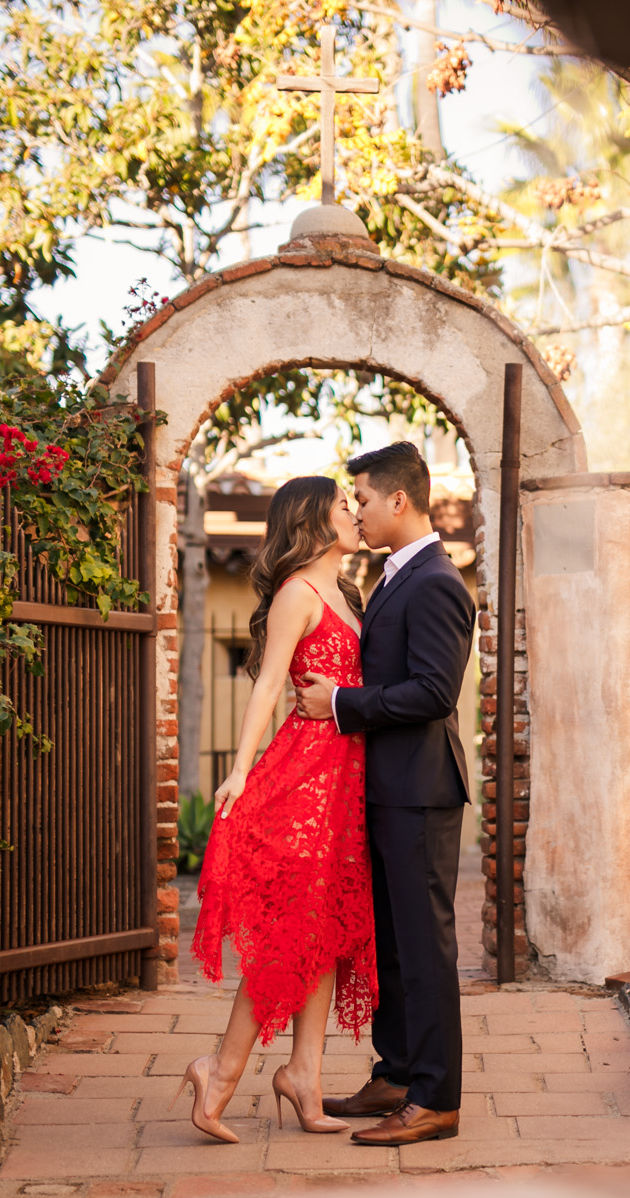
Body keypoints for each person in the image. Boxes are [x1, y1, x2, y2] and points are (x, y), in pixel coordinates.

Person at [181, 476, 371, 1142]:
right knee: (293, 935)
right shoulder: (298, 592)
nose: (355, 512)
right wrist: (238, 769)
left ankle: (303, 1076)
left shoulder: (347, 593)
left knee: (324, 935)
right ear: (312, 522)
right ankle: (219, 1071)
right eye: (344, 505)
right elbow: (268, 680)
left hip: (345, 784)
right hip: (306, 778)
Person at [297, 440, 475, 1145]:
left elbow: (434, 691)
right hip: (390, 788)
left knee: (426, 948)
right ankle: (398, 1072)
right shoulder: (396, 575)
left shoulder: (435, 580)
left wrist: (342, 704)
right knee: (396, 945)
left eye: (364, 499)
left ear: (400, 500)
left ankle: (435, 1098)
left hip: (421, 792)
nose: (357, 513)